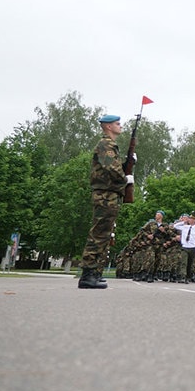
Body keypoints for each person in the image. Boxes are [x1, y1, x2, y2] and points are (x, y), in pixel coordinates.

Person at [78, 114, 129, 289]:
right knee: (99, 233)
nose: (120, 126)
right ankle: (87, 274)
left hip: (110, 193)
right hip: (105, 194)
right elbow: (111, 168)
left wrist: (127, 164)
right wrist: (125, 177)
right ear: (108, 126)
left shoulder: (110, 145)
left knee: (105, 234)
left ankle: (94, 273)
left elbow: (113, 166)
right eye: (117, 123)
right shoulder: (105, 144)